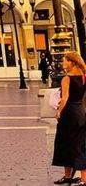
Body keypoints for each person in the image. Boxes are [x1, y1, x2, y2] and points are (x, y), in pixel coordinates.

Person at [54, 51, 86, 185]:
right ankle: (69, 177)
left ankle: (84, 179)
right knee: (77, 144)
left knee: (68, 145)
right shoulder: (84, 77)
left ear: (72, 62)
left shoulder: (66, 78)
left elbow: (65, 98)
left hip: (69, 113)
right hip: (80, 112)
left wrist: (58, 112)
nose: (63, 63)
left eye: (64, 60)